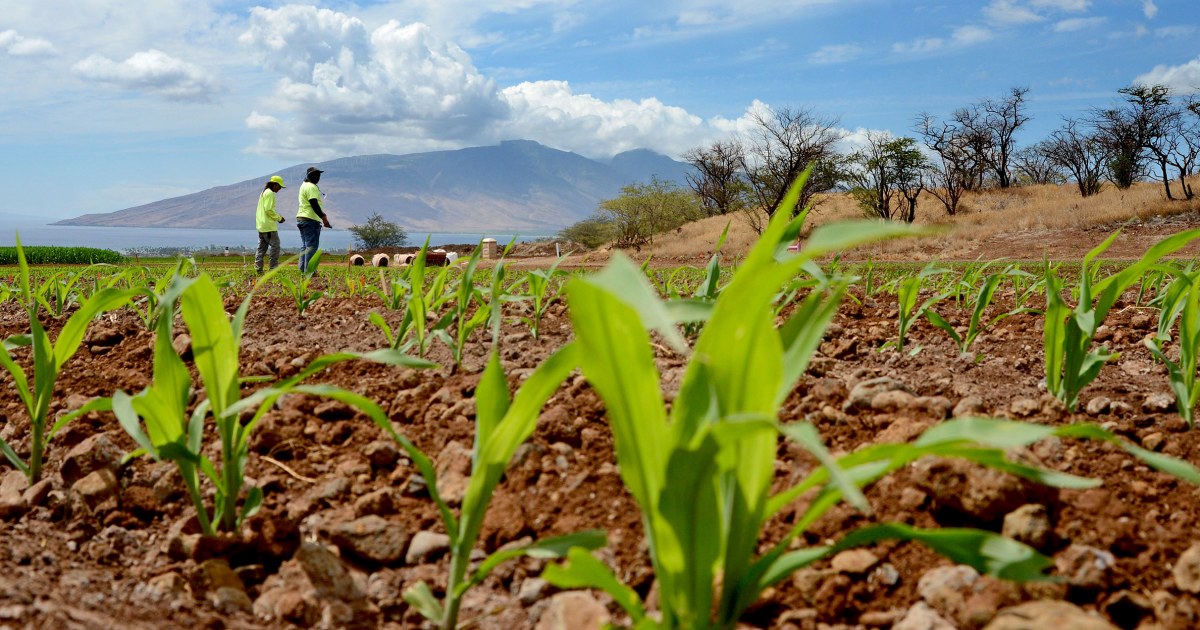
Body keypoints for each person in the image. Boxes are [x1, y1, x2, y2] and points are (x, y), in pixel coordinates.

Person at [296, 166, 332, 273]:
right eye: (316, 175)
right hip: (310, 219)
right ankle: (310, 271)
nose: (318, 177)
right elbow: (314, 203)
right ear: (310, 176)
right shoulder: (311, 187)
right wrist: (323, 217)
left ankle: (302, 270)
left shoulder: (303, 185)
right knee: (312, 246)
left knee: (305, 246)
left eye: (319, 175)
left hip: (302, 218)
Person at [254, 175, 286, 274]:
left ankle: (258, 269)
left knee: (261, 248)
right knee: (275, 246)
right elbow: (269, 210)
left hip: (261, 225)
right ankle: (273, 269)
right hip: (269, 226)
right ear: (275, 184)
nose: (280, 189)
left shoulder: (263, 193)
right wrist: (279, 218)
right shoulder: (270, 193)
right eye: (279, 186)